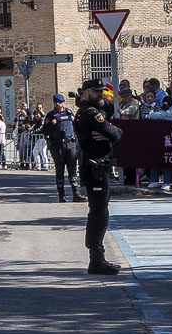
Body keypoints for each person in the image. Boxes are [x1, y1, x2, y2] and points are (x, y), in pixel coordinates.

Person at [73, 78, 125, 275]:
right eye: (96, 91)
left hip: (98, 167)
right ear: (85, 93)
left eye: (102, 91)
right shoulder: (90, 113)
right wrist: (113, 132)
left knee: (100, 211)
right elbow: (116, 134)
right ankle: (96, 259)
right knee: (98, 213)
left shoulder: (93, 109)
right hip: (95, 167)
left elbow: (110, 114)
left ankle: (97, 258)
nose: (101, 94)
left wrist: (111, 132)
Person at [43, 92, 80, 201]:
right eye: (57, 102)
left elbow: (76, 126)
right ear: (54, 103)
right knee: (60, 170)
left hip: (70, 143)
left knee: (72, 169)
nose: (59, 104)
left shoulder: (69, 112)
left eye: (60, 102)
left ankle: (76, 194)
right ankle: (62, 195)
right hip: (57, 145)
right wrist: (51, 124)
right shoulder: (50, 115)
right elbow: (45, 130)